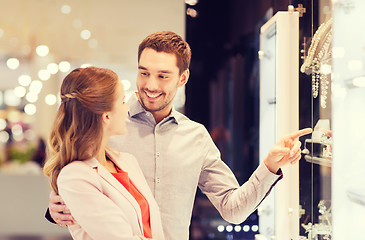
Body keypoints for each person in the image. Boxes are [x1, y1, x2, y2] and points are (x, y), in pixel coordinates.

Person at [47, 31, 312, 240]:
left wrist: (269, 166)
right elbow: (73, 177)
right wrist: (55, 206)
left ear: (183, 78)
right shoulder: (106, 125)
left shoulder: (195, 137)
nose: (150, 85)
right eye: (144, 73)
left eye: (163, 76)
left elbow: (233, 209)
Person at [43, 66, 165, 239]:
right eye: (123, 101)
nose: (127, 109)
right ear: (106, 116)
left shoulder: (127, 161)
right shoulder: (75, 176)